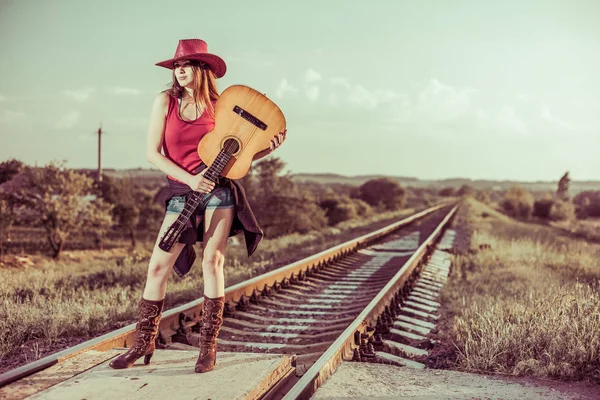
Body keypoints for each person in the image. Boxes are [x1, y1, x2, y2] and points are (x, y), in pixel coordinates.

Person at [109, 39, 286, 373]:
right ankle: (144, 341)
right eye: (176, 66)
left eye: (185, 65)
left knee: (212, 262)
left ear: (202, 68)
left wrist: (265, 151)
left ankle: (208, 348)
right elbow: (153, 154)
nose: (179, 71)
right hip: (181, 190)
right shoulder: (165, 101)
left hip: (220, 191)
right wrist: (191, 181)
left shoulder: (222, 106)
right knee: (157, 268)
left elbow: (235, 155)